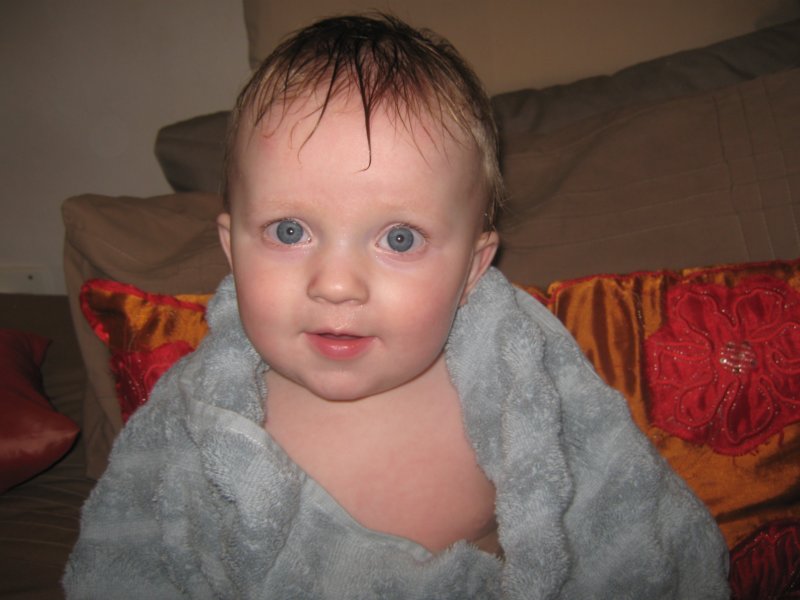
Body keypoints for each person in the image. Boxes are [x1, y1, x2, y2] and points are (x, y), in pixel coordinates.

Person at [64, 14, 729, 598]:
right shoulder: (199, 414)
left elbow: (622, 524)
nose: (336, 284)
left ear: (472, 270)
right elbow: (129, 553)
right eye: (290, 231)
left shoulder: (518, 385)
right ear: (231, 249)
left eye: (399, 239)